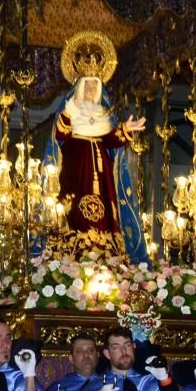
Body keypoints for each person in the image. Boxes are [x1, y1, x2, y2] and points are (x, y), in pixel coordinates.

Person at [45, 32, 148, 261]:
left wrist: (126, 130)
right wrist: (68, 115)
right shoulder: (70, 109)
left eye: (95, 85)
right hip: (75, 170)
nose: (91, 89)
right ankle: (73, 250)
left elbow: (110, 140)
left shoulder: (104, 114)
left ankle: (108, 252)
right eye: (87, 85)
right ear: (80, 87)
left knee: (106, 214)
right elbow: (60, 136)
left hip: (102, 176)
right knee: (75, 212)